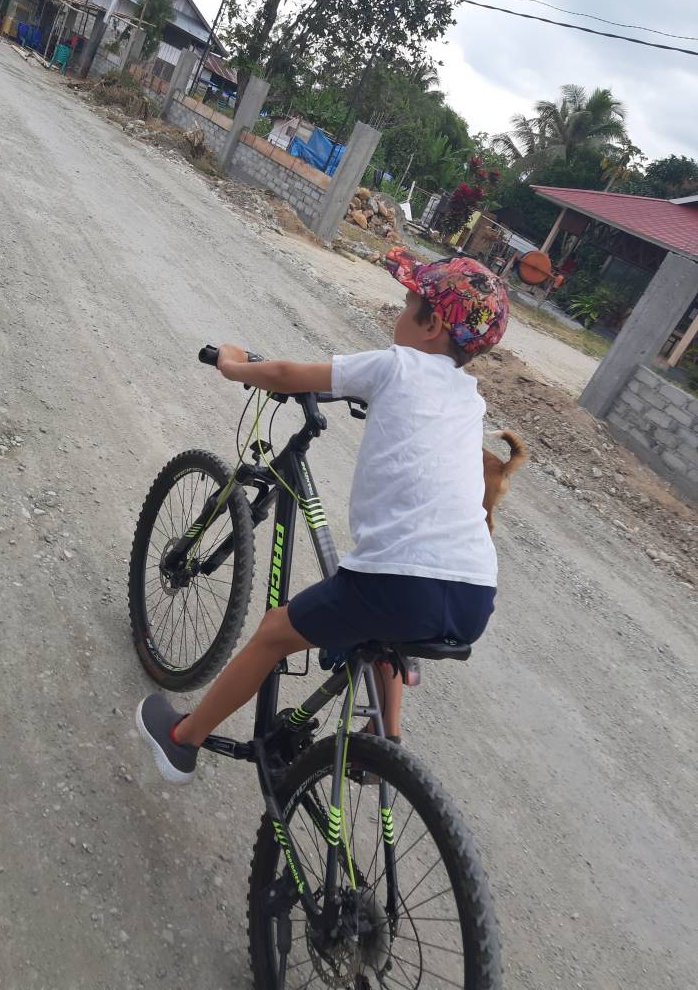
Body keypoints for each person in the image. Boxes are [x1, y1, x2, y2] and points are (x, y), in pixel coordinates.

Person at [137, 252, 510, 784]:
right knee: (381, 629)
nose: (399, 312)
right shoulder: (470, 400)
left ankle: (182, 741)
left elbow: (287, 375)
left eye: (408, 303)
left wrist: (233, 365)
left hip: (398, 584)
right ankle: (384, 744)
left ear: (431, 325)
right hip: (474, 594)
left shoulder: (395, 365)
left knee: (275, 631)